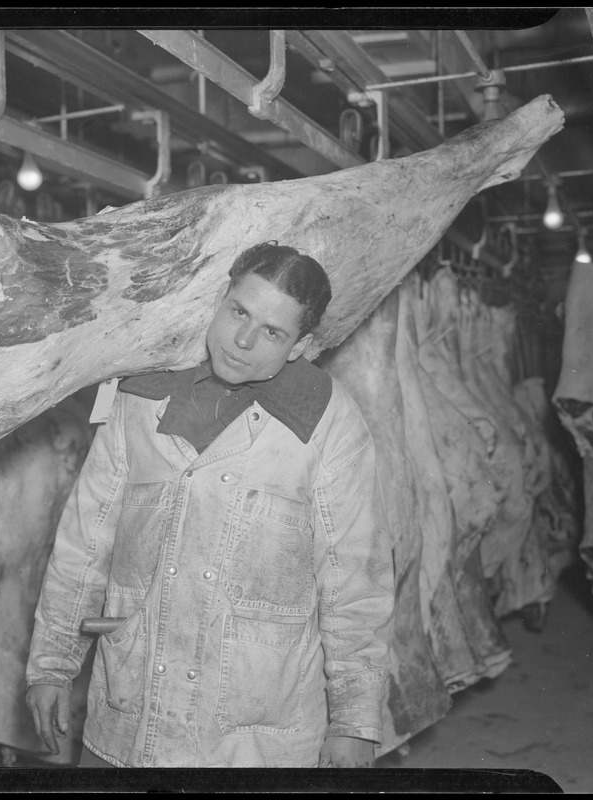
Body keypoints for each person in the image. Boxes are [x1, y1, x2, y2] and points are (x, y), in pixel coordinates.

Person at [26, 241, 395, 768]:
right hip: (132, 715)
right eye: (238, 312)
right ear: (221, 300)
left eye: (273, 332)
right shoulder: (140, 397)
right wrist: (52, 665)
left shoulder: (328, 421)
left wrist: (355, 721)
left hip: (256, 739)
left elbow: (356, 581)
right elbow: (85, 542)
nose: (242, 341)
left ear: (300, 345)